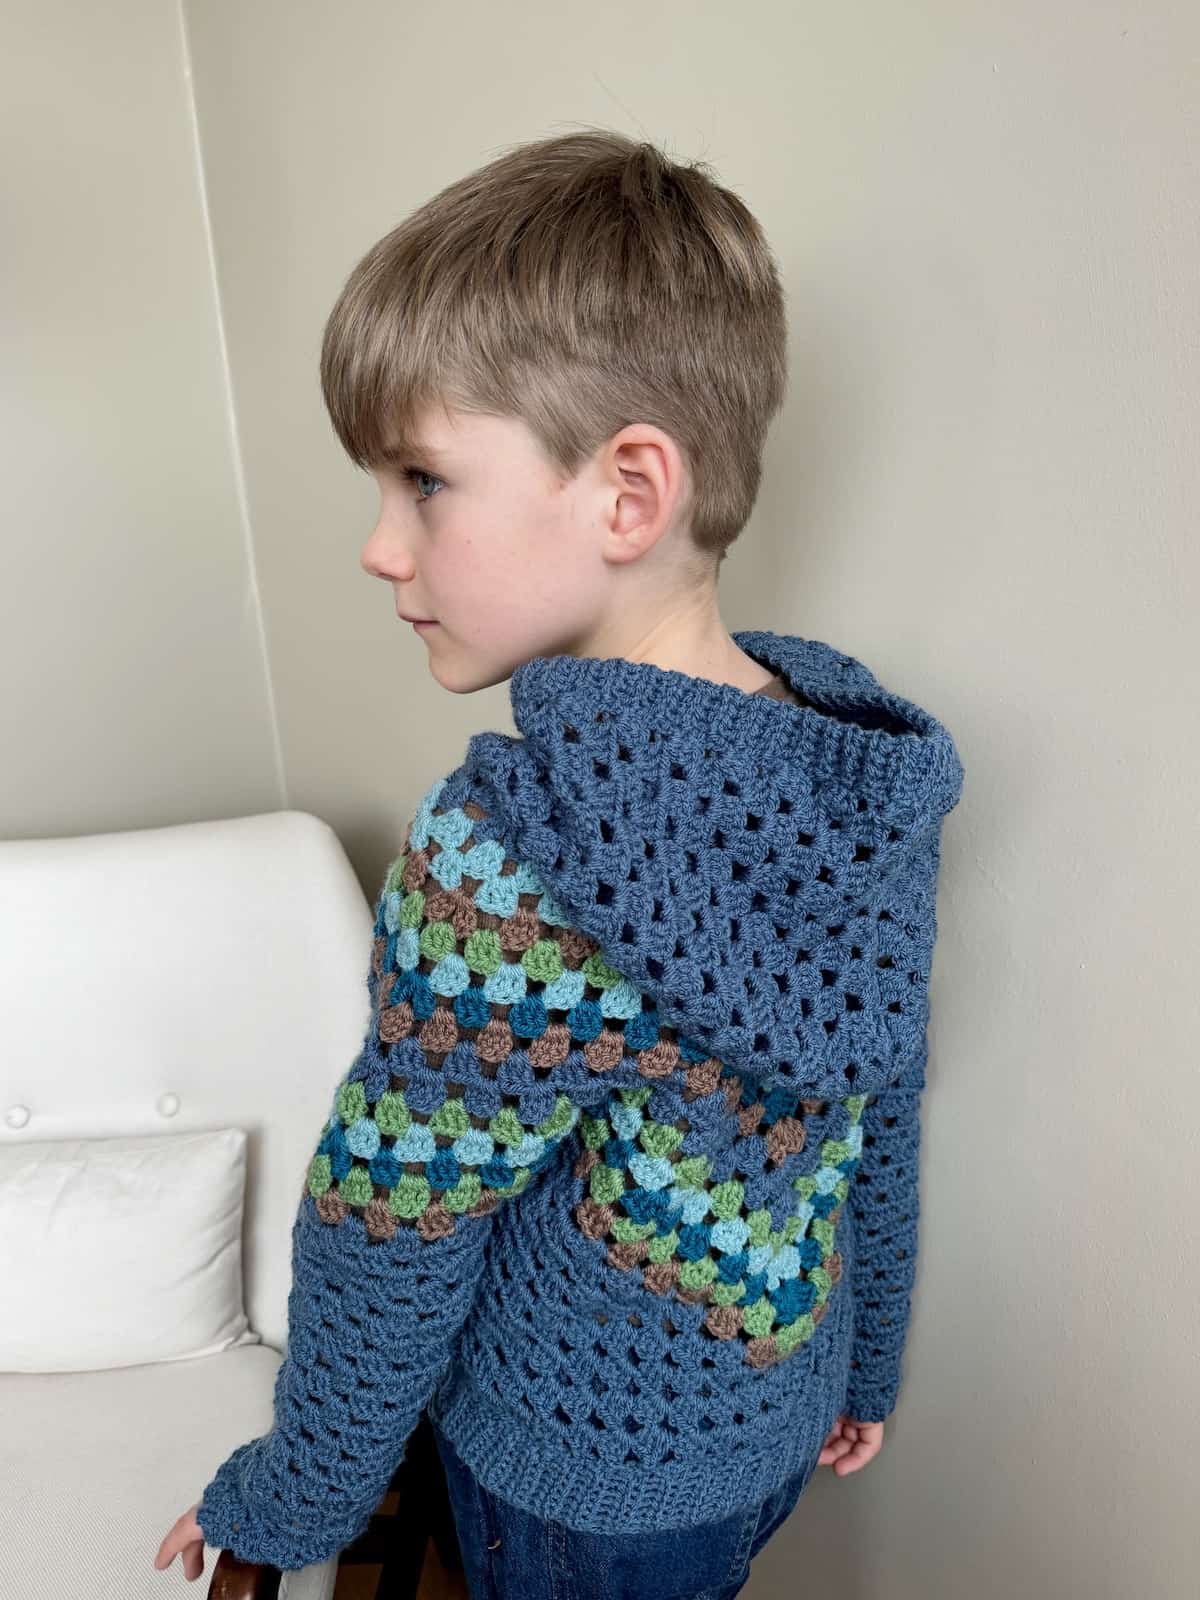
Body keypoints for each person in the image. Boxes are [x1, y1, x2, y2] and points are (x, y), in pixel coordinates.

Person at [153, 126, 964, 1598]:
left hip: (567, 1483)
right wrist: (870, 1355)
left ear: (628, 492)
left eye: (422, 481)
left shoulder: (516, 852)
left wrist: (294, 1496)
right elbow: (873, 1122)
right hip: (766, 1432)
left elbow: (392, 1224)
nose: (380, 548)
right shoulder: (848, 776)